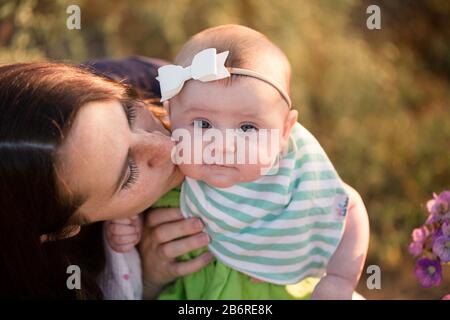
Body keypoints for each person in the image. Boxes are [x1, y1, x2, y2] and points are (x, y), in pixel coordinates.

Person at [107, 25, 370, 299]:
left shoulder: (293, 175)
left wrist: (340, 279)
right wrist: (129, 222)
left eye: (247, 128)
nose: (223, 146)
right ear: (172, 116)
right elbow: (135, 192)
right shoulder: (170, 167)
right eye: (203, 124)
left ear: (284, 131)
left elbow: (348, 207)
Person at [0, 61, 212, 299]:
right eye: (129, 175)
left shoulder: (159, 83)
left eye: (130, 113)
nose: (168, 145)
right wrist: (149, 281)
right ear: (65, 229)